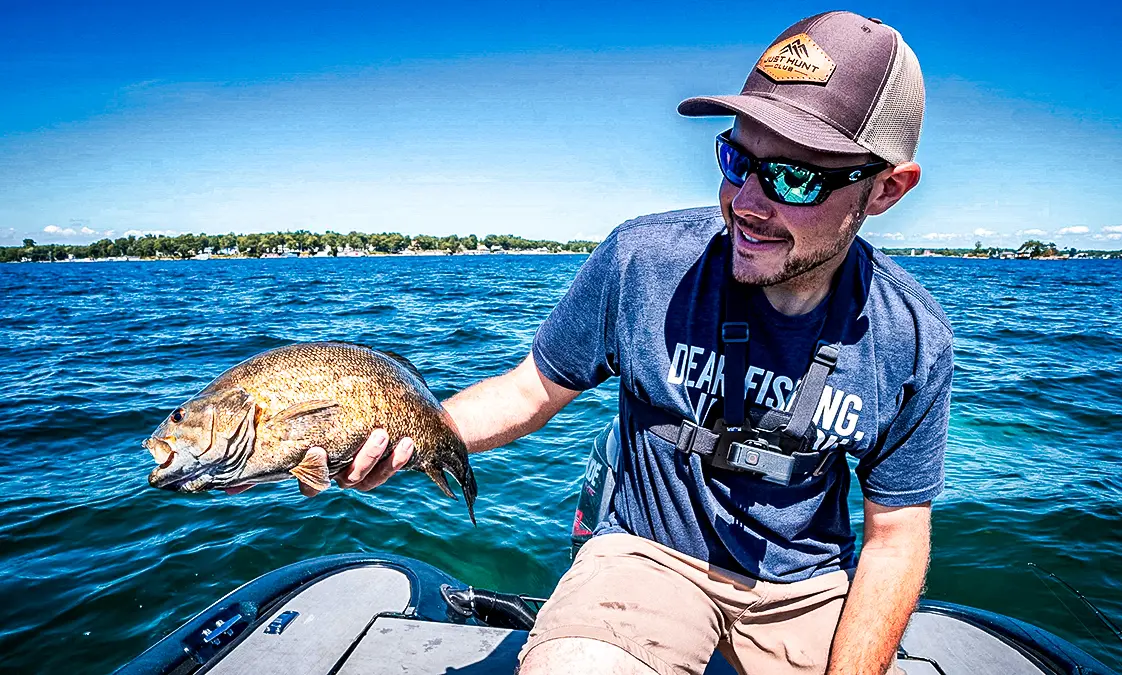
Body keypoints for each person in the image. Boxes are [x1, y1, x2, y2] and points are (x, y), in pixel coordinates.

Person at [244, 10, 953, 675]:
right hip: (645, 555)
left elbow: (895, 536)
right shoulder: (639, 260)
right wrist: (414, 434)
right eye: (737, 162)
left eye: (795, 177)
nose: (748, 203)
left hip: (805, 588)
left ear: (887, 189)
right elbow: (531, 389)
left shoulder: (914, 338)